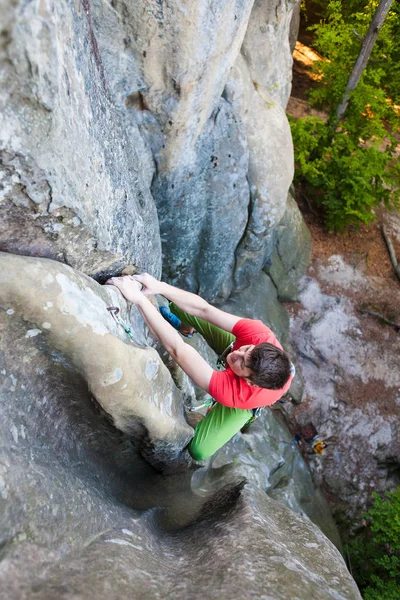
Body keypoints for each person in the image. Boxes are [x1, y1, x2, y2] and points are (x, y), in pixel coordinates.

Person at [106, 273, 294, 461]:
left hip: (245, 398)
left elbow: (177, 349)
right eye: (246, 350)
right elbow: (204, 309)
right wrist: (158, 286)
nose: (236, 355)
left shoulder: (236, 393)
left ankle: (224, 405)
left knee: (199, 450)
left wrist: (139, 299)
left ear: (248, 380)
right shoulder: (259, 335)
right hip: (258, 364)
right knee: (182, 306)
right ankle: (186, 327)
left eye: (242, 362)